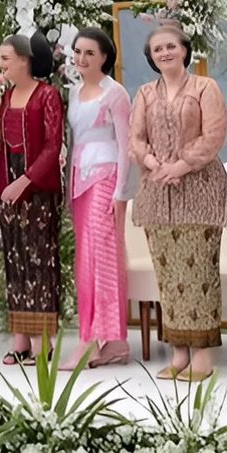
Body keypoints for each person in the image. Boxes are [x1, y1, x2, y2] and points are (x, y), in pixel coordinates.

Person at [130, 22, 227, 381]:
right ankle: (177, 355)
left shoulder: (206, 87)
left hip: (200, 190)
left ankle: (202, 357)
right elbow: (136, 139)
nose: (164, 53)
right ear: (151, 56)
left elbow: (215, 133)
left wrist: (182, 164)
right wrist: (155, 163)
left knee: (198, 271)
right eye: (158, 49)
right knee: (168, 275)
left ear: (185, 50)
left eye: (170, 46)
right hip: (158, 192)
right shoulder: (144, 93)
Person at [60, 27, 131, 371]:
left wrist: (121, 194)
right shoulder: (73, 93)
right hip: (78, 180)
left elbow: (125, 145)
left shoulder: (115, 93)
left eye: (89, 52)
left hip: (106, 177)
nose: (81, 58)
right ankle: (114, 342)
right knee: (86, 260)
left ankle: (94, 340)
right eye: (77, 52)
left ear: (105, 57)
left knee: (101, 260)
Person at [0, 32, 64, 365]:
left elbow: (53, 146)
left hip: (36, 187)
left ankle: (42, 341)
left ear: (24, 59)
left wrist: (25, 181)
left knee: (39, 262)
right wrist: (3, 186)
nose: (1, 64)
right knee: (15, 261)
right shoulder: (6, 97)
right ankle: (20, 339)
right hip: (8, 186)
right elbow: (3, 146)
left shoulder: (47, 95)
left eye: (6, 58)